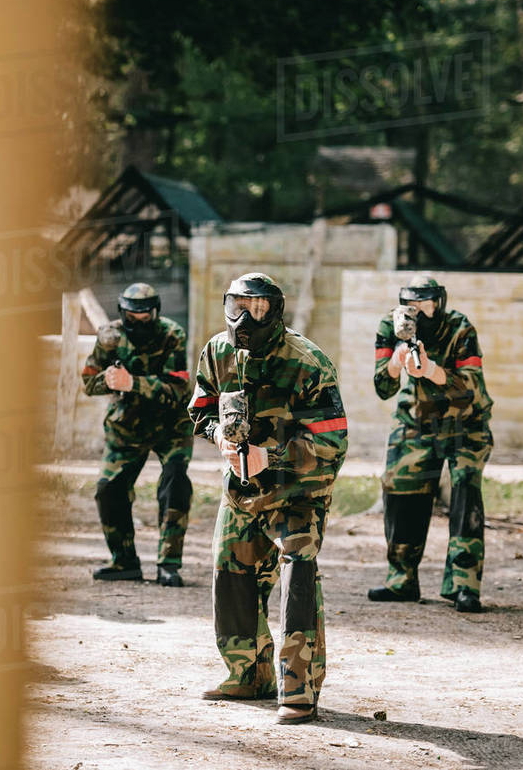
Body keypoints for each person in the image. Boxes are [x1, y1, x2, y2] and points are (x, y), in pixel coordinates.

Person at [189, 273, 347, 725]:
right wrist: (219, 436)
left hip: (299, 493)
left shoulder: (307, 361)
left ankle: (299, 692)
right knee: (231, 575)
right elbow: (201, 410)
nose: (243, 317)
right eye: (236, 305)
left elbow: (333, 442)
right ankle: (248, 674)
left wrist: (271, 455)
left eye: (256, 307)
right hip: (241, 490)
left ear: (275, 310)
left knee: (297, 582)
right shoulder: (218, 351)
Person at [367, 275, 494, 614]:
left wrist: (432, 370)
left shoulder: (459, 328)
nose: (419, 313)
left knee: (465, 490)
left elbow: (472, 388)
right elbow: (382, 387)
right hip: (416, 419)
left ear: (440, 302)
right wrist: (397, 361)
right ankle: (401, 580)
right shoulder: (391, 326)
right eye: (412, 306)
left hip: (465, 421)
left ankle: (464, 585)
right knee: (399, 489)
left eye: (427, 305)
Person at [80, 282, 193, 587]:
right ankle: (124, 561)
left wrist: (133, 384)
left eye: (146, 315)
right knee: (108, 489)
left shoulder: (172, 334)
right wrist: (110, 380)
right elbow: (89, 383)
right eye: (133, 316)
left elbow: (179, 389)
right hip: (127, 426)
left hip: (171, 425)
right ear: (123, 313)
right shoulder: (110, 337)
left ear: (156, 312)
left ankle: (169, 564)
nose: (140, 321)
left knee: (175, 484)